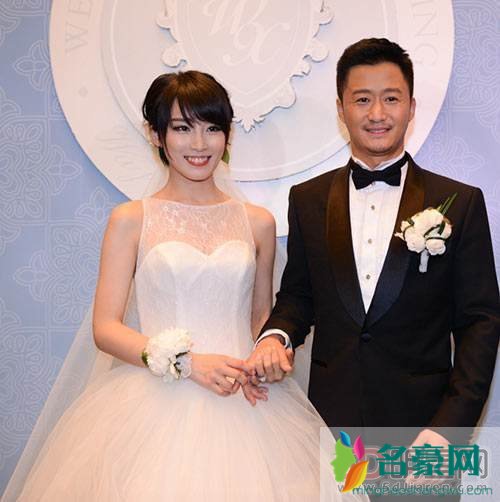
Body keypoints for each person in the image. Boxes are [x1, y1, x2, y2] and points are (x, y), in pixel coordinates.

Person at [14, 71, 363, 501]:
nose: (199, 144)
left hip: (245, 405)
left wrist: (269, 357)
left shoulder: (257, 223)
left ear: (227, 136)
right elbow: (105, 328)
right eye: (182, 128)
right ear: (156, 135)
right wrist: (188, 364)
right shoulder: (131, 220)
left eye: (212, 128)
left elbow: (260, 319)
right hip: (155, 403)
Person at [249, 38, 500, 443]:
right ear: (341, 108)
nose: (377, 113)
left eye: (391, 99)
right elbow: (299, 296)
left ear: (411, 108)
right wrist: (275, 337)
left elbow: (480, 323)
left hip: (426, 430)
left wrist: (448, 429)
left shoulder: (460, 202)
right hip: (334, 424)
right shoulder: (307, 199)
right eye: (362, 99)